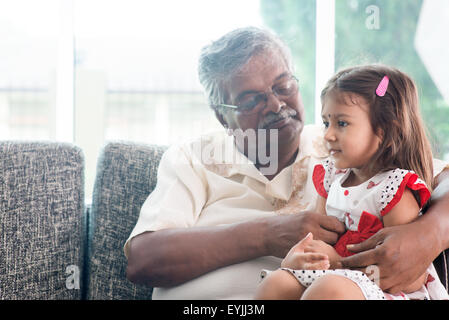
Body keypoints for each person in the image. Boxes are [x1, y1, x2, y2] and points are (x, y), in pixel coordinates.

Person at [124, 27, 449, 300]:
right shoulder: (193, 159)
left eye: (284, 86)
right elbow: (144, 259)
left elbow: (436, 177)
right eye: (251, 99)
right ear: (221, 115)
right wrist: (268, 234)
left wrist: (429, 234)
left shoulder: (345, 148)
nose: (276, 104)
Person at [254, 65, 449, 300]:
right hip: (333, 276)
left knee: (329, 291)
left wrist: (339, 263)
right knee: (276, 284)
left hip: (379, 288)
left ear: (385, 132)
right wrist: (299, 257)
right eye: (327, 123)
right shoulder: (331, 177)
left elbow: (409, 275)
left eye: (342, 123)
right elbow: (313, 242)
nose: (328, 135)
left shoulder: (394, 189)